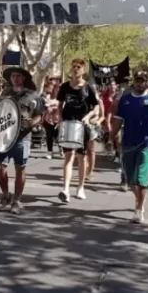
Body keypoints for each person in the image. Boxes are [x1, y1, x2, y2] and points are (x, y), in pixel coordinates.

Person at [110, 71, 148, 223]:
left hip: (146, 143)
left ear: (147, 82)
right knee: (130, 179)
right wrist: (111, 137)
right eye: (137, 81)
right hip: (128, 143)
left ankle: (138, 210)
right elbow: (118, 120)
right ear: (134, 82)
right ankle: (140, 200)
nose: (140, 84)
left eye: (143, 81)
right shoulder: (125, 100)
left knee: (141, 179)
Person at [0, 66, 43, 214]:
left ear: (23, 78)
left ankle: (16, 201)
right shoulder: (5, 93)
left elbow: (39, 115)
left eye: (18, 76)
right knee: (0, 167)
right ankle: (5, 196)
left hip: (22, 137)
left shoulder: (33, 95)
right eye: (13, 76)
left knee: (19, 168)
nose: (15, 79)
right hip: (4, 136)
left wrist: (32, 122)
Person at [56, 59, 100, 202]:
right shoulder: (65, 86)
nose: (76, 69)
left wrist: (88, 117)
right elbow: (60, 104)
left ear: (83, 70)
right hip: (68, 123)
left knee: (82, 157)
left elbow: (96, 106)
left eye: (79, 67)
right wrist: (59, 117)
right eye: (74, 67)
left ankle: (80, 188)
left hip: (83, 125)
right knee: (68, 156)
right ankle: (65, 189)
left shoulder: (88, 87)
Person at [42, 77, 61, 160]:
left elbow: (61, 106)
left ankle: (61, 148)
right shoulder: (47, 97)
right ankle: (49, 152)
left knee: (58, 136)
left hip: (57, 119)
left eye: (53, 87)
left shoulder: (60, 98)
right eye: (50, 87)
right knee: (49, 136)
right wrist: (47, 107)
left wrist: (53, 108)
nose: (51, 89)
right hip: (48, 119)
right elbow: (44, 105)